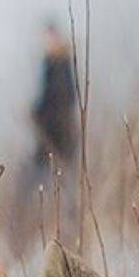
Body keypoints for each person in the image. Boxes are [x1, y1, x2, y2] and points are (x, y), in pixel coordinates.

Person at [31, 22, 79, 174]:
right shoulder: (50, 63)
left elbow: (62, 96)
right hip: (51, 131)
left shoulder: (60, 64)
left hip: (59, 133)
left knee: (52, 174)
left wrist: (41, 113)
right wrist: (36, 111)